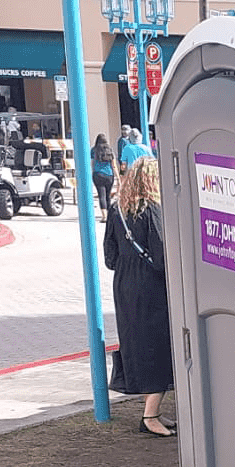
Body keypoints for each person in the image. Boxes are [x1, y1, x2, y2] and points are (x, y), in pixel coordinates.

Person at [105, 157, 175, 437]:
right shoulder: (152, 210)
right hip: (150, 288)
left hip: (123, 285)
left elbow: (109, 257)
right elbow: (160, 257)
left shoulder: (116, 210)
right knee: (156, 348)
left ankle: (152, 409)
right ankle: (151, 416)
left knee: (136, 344)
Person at [90, 133, 115, 220]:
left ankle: (104, 216)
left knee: (101, 195)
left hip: (98, 174)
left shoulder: (93, 150)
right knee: (108, 196)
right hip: (109, 175)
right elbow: (113, 164)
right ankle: (110, 215)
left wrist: (93, 172)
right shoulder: (109, 150)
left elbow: (92, 163)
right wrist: (118, 177)